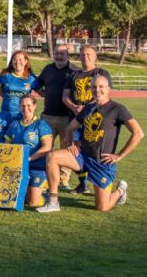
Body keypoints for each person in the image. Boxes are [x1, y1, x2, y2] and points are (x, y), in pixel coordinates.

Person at [38, 74, 144, 213]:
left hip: (102, 161)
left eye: (101, 86)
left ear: (108, 89)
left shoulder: (118, 109)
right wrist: (71, 143)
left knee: (102, 207)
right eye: (94, 87)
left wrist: (119, 155)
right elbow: (70, 128)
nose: (97, 90)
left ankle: (120, 190)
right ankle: (53, 201)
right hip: (82, 157)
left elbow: (138, 133)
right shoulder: (89, 108)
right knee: (52, 156)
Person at [62, 45, 112, 194]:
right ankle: (83, 183)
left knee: (94, 150)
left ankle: (102, 182)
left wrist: (90, 107)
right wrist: (74, 107)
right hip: (76, 118)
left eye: (89, 54)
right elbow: (65, 96)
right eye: (83, 54)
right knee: (75, 150)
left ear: (95, 56)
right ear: (79, 57)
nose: (86, 57)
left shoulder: (101, 73)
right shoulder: (73, 74)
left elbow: (107, 95)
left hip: (94, 119)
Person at [36, 44, 77, 190]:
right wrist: (44, 94)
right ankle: (45, 177)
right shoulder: (48, 69)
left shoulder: (74, 71)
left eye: (62, 53)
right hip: (47, 116)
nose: (59, 56)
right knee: (44, 147)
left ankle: (64, 179)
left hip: (67, 117)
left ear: (68, 55)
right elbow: (37, 84)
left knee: (66, 149)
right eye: (56, 53)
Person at [4, 95, 53, 207]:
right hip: (18, 168)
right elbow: (7, 144)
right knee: (15, 199)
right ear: (19, 107)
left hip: (37, 168)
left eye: (29, 105)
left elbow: (47, 147)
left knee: (33, 203)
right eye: (23, 105)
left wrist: (28, 158)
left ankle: (44, 194)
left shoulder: (41, 125)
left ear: (35, 106)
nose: (26, 108)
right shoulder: (14, 124)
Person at [0, 51, 38, 121]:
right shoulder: (5, 75)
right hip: (5, 115)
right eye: (15, 59)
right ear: (11, 62)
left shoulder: (32, 78)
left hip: (23, 115)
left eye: (20, 60)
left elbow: (42, 92)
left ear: (26, 61)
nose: (17, 62)